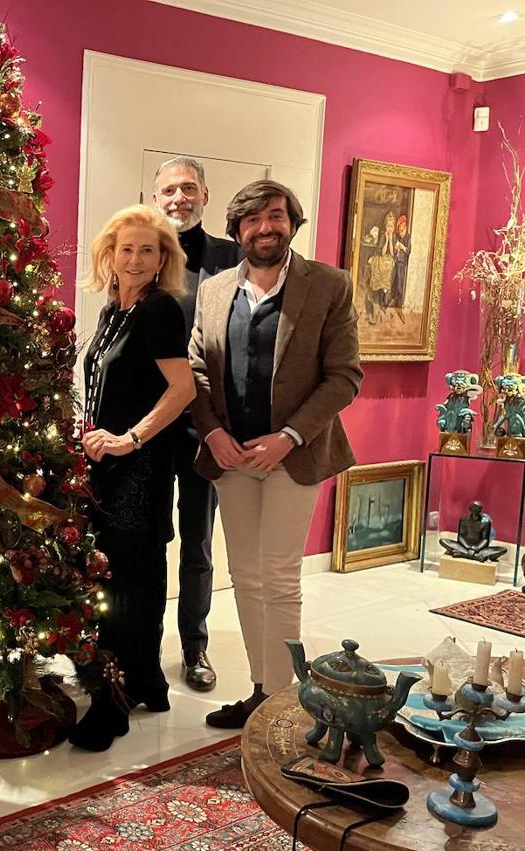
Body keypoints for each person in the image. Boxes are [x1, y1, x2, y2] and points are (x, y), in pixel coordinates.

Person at [188, 179, 361, 729]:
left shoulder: (328, 285)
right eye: (254, 219)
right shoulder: (214, 289)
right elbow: (195, 369)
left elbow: (344, 377)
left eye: (277, 217)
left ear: (292, 222)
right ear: (237, 229)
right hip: (232, 458)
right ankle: (261, 691)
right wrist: (211, 431)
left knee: (280, 576)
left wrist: (288, 436)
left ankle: (284, 703)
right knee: (245, 574)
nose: (266, 227)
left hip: (293, 456)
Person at [70, 204, 196, 752]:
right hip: (106, 462)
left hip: (139, 466)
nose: (137, 259)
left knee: (126, 579)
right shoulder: (112, 309)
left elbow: (182, 389)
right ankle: (145, 681)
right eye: (127, 249)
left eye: (149, 250)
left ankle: (112, 704)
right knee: (126, 575)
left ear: (163, 257)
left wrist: (129, 438)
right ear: (110, 255)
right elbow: (110, 382)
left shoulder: (160, 309)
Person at [152, 156, 243, 693]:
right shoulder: (141, 250)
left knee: (198, 544)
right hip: (146, 428)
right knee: (143, 540)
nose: (178, 198)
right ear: (155, 196)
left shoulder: (232, 258)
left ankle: (194, 646)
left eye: (188, 188)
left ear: (205, 195)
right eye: (169, 190)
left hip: (204, 428)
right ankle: (138, 646)